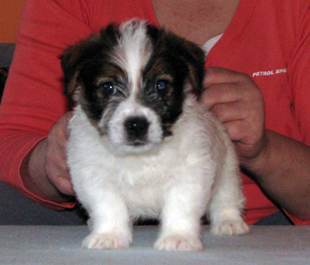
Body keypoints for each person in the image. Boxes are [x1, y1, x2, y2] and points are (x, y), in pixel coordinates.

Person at [1, 0, 310, 225]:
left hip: (266, 220)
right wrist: (50, 163)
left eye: (161, 88)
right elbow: (12, 138)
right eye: (109, 89)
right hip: (90, 216)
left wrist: (264, 153)